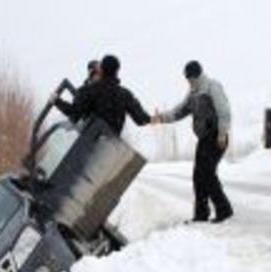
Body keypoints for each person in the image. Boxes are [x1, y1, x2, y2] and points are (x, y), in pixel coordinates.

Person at [154, 61, 233, 223]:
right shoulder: (193, 93)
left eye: (190, 78)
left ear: (197, 75)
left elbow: (224, 112)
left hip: (217, 135)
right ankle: (201, 213)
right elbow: (180, 111)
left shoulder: (212, 87)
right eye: (187, 79)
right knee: (198, 175)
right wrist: (161, 117)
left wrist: (222, 135)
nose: (189, 82)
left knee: (207, 172)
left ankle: (224, 209)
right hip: (204, 138)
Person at [49, 55, 152, 136]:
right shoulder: (125, 94)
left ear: (101, 70)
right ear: (117, 71)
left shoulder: (88, 91)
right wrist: (160, 118)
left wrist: (57, 101)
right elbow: (142, 119)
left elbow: (74, 114)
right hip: (112, 151)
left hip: (88, 149)